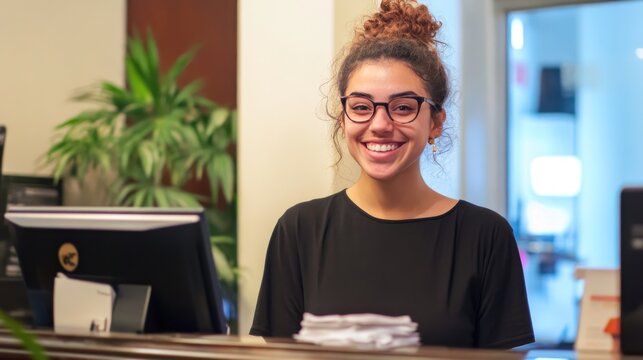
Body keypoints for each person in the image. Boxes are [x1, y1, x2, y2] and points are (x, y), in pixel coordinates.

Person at [250, 0, 534, 349]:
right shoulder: (298, 230)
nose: (380, 124)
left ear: (435, 122)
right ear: (343, 119)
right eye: (361, 107)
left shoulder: (486, 237)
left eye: (403, 107)